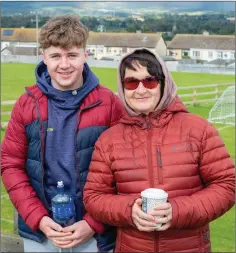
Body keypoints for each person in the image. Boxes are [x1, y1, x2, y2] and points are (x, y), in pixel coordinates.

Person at [83, 48, 235, 252]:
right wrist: (129, 211)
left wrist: (177, 211)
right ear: (122, 87)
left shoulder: (199, 130)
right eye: (131, 82)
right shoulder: (109, 139)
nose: (140, 90)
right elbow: (94, 197)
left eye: (149, 81)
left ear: (163, 83)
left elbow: (226, 186)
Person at [1, 15, 124, 252]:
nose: (64, 64)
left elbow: (125, 171)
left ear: (85, 55)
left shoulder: (109, 104)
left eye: (72, 55)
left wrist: (93, 223)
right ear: (44, 57)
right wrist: (38, 219)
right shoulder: (26, 105)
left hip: (94, 236)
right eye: (56, 56)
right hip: (40, 234)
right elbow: (10, 165)